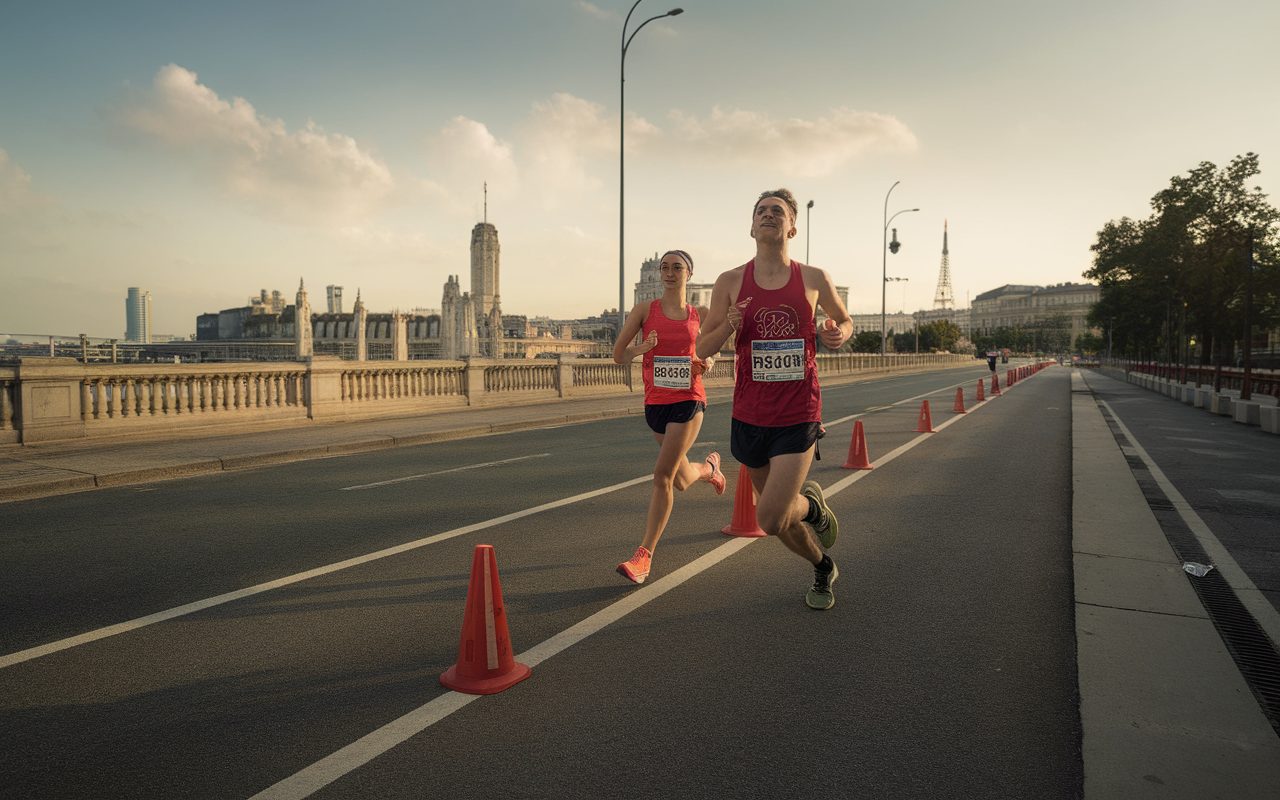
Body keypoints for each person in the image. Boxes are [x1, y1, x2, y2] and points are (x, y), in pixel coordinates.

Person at [696, 189, 853, 610]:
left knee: (767, 517)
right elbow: (702, 348)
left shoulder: (814, 278)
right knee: (779, 519)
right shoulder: (730, 282)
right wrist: (728, 326)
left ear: (792, 227)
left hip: (799, 411)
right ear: (751, 227)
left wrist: (838, 333)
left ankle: (811, 507)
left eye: (777, 212)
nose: (768, 215)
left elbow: (844, 320)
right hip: (750, 413)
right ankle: (822, 564)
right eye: (761, 211)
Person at [613, 249, 726, 585]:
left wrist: (709, 361)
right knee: (682, 479)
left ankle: (643, 556)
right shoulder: (644, 310)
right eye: (664, 267)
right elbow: (619, 355)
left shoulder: (700, 314)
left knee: (662, 475)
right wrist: (642, 349)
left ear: (688, 274)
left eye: (677, 267)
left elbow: (715, 348)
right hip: (656, 403)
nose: (669, 273)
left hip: (688, 400)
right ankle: (710, 470)